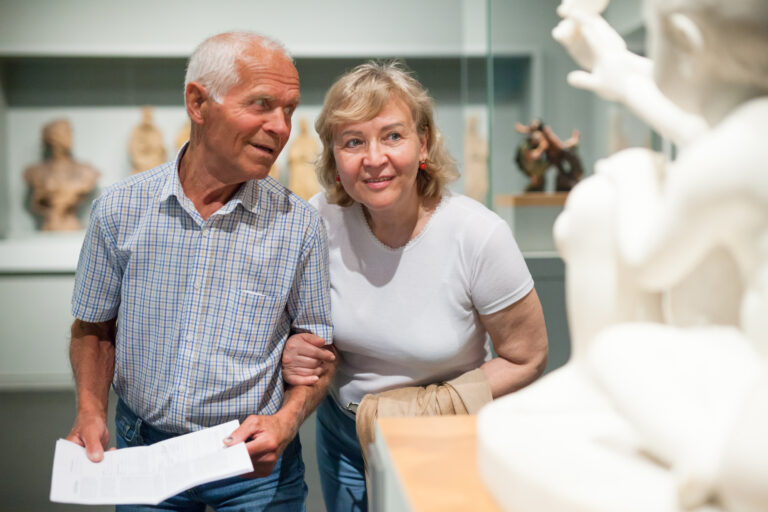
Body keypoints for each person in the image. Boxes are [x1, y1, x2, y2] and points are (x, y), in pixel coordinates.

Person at [477, 0, 768, 511]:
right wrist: (622, 71)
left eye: (651, 43)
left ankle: (703, 454)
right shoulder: (750, 133)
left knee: (619, 350)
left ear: (686, 42)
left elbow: (649, 259)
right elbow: (696, 125)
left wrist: (633, 173)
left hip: (754, 427)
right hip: (748, 371)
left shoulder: (730, 151)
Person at [65, 32, 335, 511]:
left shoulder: (300, 226)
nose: (281, 127)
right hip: (144, 452)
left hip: (253, 464)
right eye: (262, 105)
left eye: (290, 110)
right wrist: (90, 409)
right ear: (198, 102)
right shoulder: (121, 210)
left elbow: (317, 355)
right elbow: (93, 327)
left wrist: (286, 420)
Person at [282, 61, 549, 511]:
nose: (373, 158)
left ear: (422, 140)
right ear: (333, 154)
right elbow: (299, 324)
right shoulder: (319, 220)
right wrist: (294, 348)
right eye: (352, 141)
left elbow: (528, 356)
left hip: (445, 435)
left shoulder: (477, 235)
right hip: (344, 437)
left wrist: (426, 408)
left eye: (392, 135)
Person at [24, 118, 100, 231]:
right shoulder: (35, 172)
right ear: (51, 137)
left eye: (70, 132)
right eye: (64, 132)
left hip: (71, 226)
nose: (70, 136)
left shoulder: (86, 171)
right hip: (49, 226)